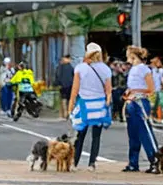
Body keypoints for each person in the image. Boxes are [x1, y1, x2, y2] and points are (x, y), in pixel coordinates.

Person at [67, 42, 112, 172]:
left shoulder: (80, 68)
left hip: (84, 105)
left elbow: (74, 90)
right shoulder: (105, 69)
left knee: (80, 135)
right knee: (96, 136)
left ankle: (75, 162)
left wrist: (71, 106)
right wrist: (107, 103)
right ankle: (92, 163)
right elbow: (108, 91)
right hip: (99, 105)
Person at [123, 45, 160, 174]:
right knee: (133, 133)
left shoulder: (144, 69)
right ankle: (133, 162)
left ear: (133, 56)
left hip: (140, 101)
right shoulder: (133, 70)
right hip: (131, 101)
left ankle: (154, 160)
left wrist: (134, 91)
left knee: (144, 132)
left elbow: (151, 89)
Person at [54, 55, 75, 120]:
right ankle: (68, 113)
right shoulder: (71, 67)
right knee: (69, 99)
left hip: (63, 86)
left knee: (64, 99)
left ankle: (65, 113)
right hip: (70, 85)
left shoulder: (59, 67)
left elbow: (57, 76)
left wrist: (57, 84)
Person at [151, 56, 163, 124]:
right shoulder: (156, 70)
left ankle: (156, 118)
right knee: (156, 105)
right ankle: (155, 118)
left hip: (156, 90)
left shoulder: (155, 70)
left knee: (157, 105)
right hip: (157, 90)